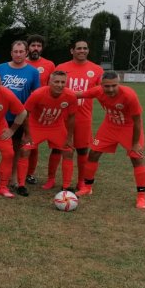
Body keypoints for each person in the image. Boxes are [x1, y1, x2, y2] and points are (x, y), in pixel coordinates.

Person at [74, 71, 145, 209]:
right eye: (107, 86)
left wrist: (135, 143)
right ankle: (87, 187)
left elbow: (137, 122)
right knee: (93, 153)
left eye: (114, 85)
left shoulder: (129, 95)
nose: (111, 89)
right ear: (101, 85)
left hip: (129, 127)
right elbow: (79, 94)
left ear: (119, 84)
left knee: (137, 158)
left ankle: (141, 197)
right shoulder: (97, 91)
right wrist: (56, 90)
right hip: (109, 126)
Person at [0, 40, 40, 191]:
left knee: (15, 148)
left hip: (19, 117)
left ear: (26, 53)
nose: (18, 54)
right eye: (15, 51)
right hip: (0, 115)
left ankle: (13, 177)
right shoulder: (1, 68)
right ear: (11, 53)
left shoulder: (33, 72)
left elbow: (36, 96)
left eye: (21, 52)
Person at [17, 70, 77, 193]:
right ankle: (21, 185)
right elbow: (25, 113)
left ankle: (65, 186)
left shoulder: (70, 95)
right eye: (56, 82)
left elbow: (72, 117)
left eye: (63, 82)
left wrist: (69, 137)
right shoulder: (38, 94)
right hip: (36, 126)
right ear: (50, 82)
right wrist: (27, 134)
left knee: (69, 151)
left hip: (56, 126)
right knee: (25, 150)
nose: (60, 85)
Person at [55, 39, 103, 189]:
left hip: (84, 117)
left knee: (83, 150)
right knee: (64, 149)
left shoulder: (96, 70)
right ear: (72, 51)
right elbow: (53, 87)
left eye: (85, 48)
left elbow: (102, 90)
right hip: (63, 116)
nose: (82, 51)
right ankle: (62, 183)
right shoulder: (61, 67)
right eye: (79, 48)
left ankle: (81, 181)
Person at [23, 34, 57, 184]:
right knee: (15, 142)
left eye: (38, 46)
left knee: (33, 144)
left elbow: (53, 87)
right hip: (20, 108)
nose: (35, 48)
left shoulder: (49, 65)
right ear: (28, 48)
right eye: (33, 45)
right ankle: (12, 171)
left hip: (39, 111)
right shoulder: (21, 62)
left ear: (42, 48)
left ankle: (29, 173)